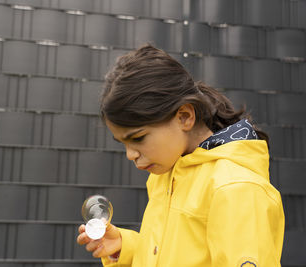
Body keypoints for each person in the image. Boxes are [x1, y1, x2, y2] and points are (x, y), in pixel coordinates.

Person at [76, 44, 285, 266]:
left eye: (138, 138)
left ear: (184, 116)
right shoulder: (165, 176)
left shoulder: (236, 188)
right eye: (123, 143)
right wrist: (125, 247)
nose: (130, 154)